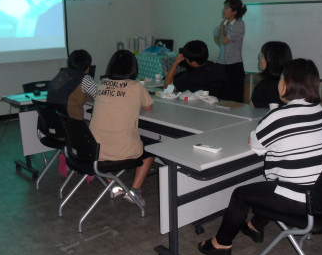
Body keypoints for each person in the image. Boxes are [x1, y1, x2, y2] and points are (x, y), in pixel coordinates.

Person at [198, 59, 322, 255]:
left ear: (288, 83)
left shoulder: (280, 115)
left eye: (281, 78)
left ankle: (221, 243)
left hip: (302, 200)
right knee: (273, 186)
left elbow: (255, 144)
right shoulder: (319, 111)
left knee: (241, 194)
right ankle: (255, 226)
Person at [89, 50, 155, 207]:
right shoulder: (136, 87)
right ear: (133, 68)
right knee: (152, 149)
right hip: (123, 151)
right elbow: (148, 107)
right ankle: (135, 191)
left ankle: (113, 185)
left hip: (93, 150)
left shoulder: (102, 84)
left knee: (105, 142)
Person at [163, 40, 228, 99]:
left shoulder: (189, 77)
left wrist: (176, 62)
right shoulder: (218, 67)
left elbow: (167, 88)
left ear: (193, 62)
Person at [213, 0, 247, 103]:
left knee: (234, 98)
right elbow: (216, 35)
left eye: (226, 8)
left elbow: (225, 40)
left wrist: (223, 27)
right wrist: (222, 47)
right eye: (224, 7)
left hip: (234, 65)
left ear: (234, 12)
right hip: (221, 63)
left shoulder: (239, 24)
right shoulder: (225, 23)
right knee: (219, 95)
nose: (223, 10)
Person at [47, 49, 97, 120]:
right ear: (87, 66)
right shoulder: (85, 78)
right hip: (72, 121)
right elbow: (101, 96)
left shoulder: (61, 73)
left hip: (54, 120)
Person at [250, 41, 293, 108]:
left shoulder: (263, 86)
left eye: (262, 55)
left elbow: (253, 109)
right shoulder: (294, 83)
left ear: (270, 60)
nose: (259, 58)